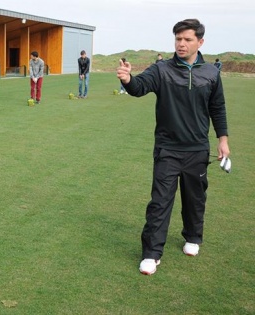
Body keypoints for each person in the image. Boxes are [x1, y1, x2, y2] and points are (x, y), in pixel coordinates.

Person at [117, 18, 230, 276]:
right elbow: (139, 87)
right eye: (178, 39)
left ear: (200, 42)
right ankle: (151, 253)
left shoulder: (212, 73)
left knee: (195, 199)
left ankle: (193, 237)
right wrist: (127, 80)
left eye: (187, 39)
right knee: (159, 202)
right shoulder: (161, 69)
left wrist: (223, 139)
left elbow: (218, 107)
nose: (181, 43)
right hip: (167, 149)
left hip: (198, 150)